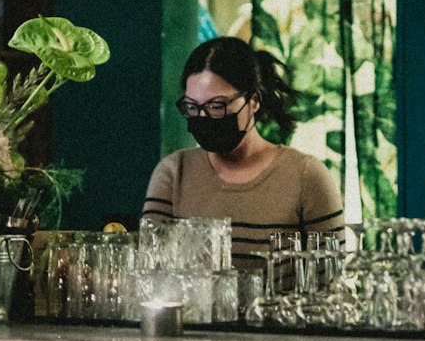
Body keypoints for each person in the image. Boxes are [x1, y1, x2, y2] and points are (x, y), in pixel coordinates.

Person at [142, 36, 344, 263]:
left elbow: (331, 278)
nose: (202, 117)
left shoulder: (305, 175)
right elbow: (152, 270)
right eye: (192, 107)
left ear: (253, 101)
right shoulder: (173, 173)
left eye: (216, 106)